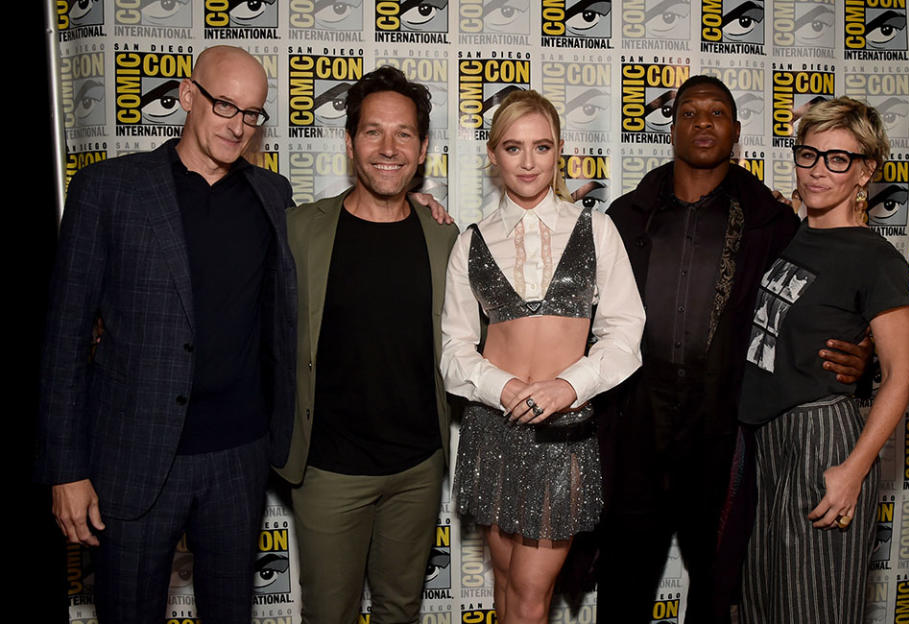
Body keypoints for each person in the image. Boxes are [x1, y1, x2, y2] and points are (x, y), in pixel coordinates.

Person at [36, 45, 296, 623]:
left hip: (240, 456)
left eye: (253, 113)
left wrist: (417, 202)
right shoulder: (108, 190)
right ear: (186, 95)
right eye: (226, 105)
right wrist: (66, 469)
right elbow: (64, 339)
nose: (239, 126)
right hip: (134, 455)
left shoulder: (273, 196)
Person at [599, 75, 872, 623]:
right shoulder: (624, 220)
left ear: (737, 131)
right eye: (690, 113)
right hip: (636, 433)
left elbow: (815, 307)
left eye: (717, 113)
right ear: (672, 128)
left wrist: (863, 357)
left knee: (720, 589)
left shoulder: (773, 224)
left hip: (725, 440)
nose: (704, 122)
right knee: (623, 586)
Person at [441, 90, 646, 624]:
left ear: (560, 154)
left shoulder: (595, 228)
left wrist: (568, 386)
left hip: (563, 435)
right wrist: (502, 387)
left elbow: (626, 332)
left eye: (541, 147)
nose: (528, 161)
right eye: (513, 147)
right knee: (507, 585)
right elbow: (455, 349)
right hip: (493, 430)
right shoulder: (472, 240)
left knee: (532, 594)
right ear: (492, 155)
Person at [276, 66, 459, 624]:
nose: (388, 147)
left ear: (423, 148)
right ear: (350, 142)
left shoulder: (446, 238)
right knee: (328, 614)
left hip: (418, 469)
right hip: (330, 471)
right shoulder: (298, 230)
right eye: (373, 131)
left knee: (400, 610)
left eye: (403, 133)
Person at [738, 97, 909, 623]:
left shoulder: (875, 259)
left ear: (866, 172)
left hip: (822, 441)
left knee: (814, 608)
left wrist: (853, 471)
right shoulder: (787, 232)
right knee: (760, 605)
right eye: (808, 154)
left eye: (838, 159)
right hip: (765, 441)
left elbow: (900, 376)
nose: (819, 170)